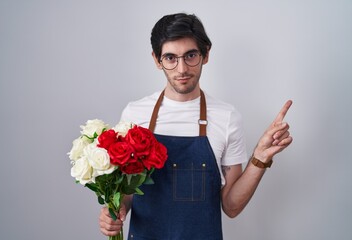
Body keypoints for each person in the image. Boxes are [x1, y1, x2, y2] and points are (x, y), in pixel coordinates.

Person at [99, 13, 293, 240]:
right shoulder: (134, 114)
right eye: (170, 58)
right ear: (156, 59)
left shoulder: (227, 118)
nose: (181, 69)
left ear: (206, 54)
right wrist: (114, 211)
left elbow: (231, 207)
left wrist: (260, 159)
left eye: (190, 55)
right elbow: (128, 192)